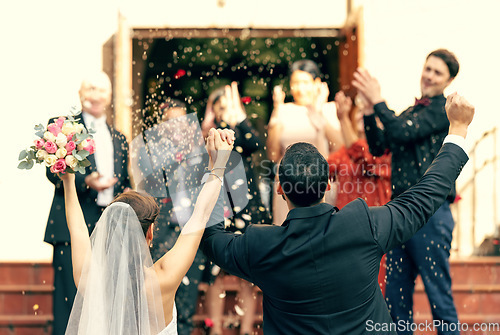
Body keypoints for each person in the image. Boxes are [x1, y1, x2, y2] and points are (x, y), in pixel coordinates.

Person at [201, 92, 474, 334]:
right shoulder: (364, 225)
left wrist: (217, 167)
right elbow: (426, 196)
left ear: (281, 190)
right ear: (328, 184)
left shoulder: (260, 245)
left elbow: (211, 237)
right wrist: (458, 129)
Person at [60, 127, 235, 335]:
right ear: (150, 233)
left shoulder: (90, 279)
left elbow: (78, 229)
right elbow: (200, 216)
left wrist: (68, 182)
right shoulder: (164, 277)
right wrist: (218, 163)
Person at [352, 49, 461, 334]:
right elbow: (379, 146)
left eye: (438, 72)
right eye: (428, 68)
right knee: (396, 297)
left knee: (438, 296)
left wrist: (378, 101)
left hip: (431, 215)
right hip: (400, 212)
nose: (429, 75)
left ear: (448, 81)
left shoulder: (443, 109)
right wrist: (367, 110)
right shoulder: (412, 111)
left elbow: (401, 131)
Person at [43, 72, 131, 335]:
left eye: (102, 90)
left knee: (105, 303)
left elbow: (124, 180)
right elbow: (52, 172)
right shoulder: (62, 128)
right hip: (71, 227)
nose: (96, 95)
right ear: (81, 94)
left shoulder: (120, 137)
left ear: (110, 96)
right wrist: (85, 181)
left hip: (109, 229)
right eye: (91, 88)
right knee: (69, 304)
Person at [202, 83, 272, 335]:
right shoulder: (209, 134)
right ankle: (217, 329)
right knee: (214, 273)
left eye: (227, 106)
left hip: (245, 206)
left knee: (247, 273)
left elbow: (254, 143)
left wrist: (239, 116)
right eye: (219, 107)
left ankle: (244, 329)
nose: (224, 112)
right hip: (218, 204)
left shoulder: (241, 131)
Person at [327, 91, 392, 295]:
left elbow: (362, 154)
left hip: (375, 232)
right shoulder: (343, 153)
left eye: (366, 117)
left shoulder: (386, 153)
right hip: (344, 231)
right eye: (358, 117)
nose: (361, 121)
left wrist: (342, 118)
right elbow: (319, 171)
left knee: (374, 290)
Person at [266, 59, 343, 225]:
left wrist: (318, 112)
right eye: (295, 83)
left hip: (319, 183)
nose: (300, 89)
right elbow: (272, 154)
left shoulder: (329, 108)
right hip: (287, 185)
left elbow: (340, 146)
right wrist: (277, 110)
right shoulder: (284, 110)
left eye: (305, 82)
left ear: (317, 83)